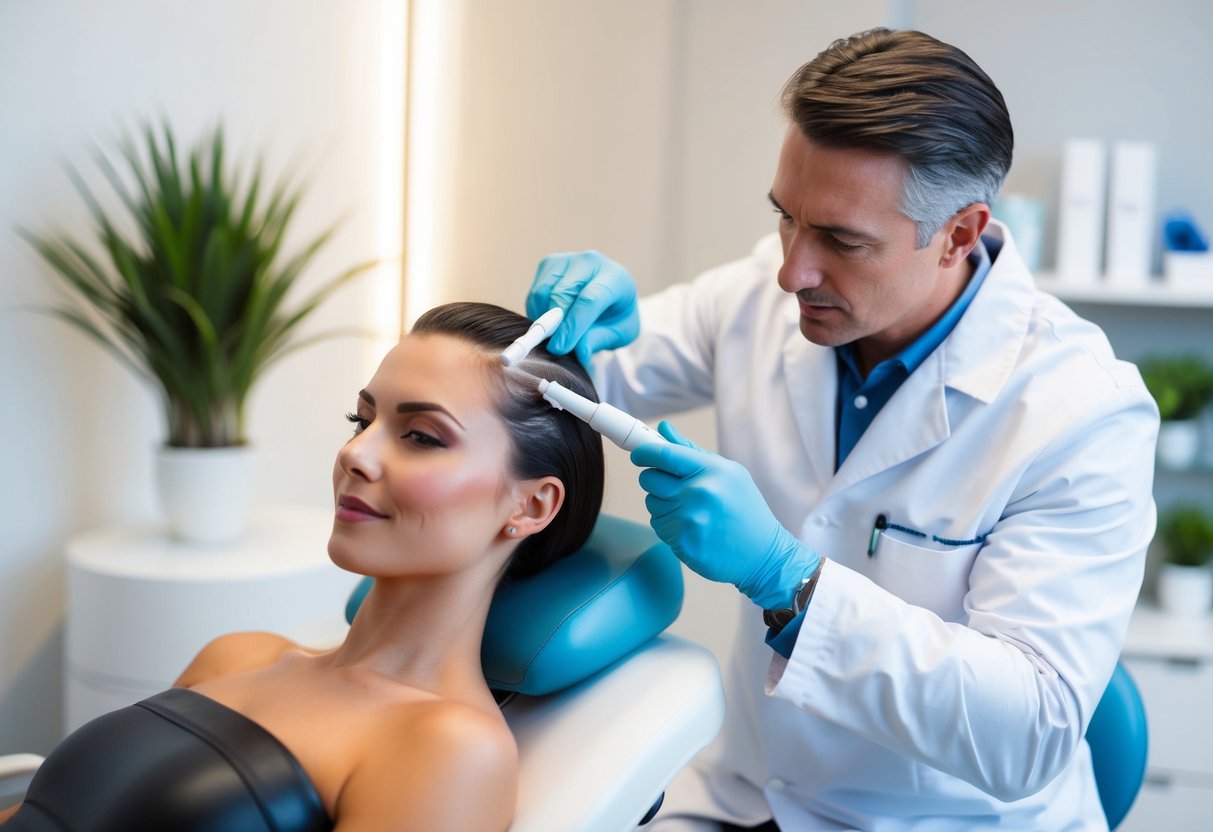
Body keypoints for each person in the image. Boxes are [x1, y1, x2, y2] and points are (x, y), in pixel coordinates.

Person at [525, 28, 1158, 831]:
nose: (793, 269)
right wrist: (565, 330)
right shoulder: (762, 292)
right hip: (748, 797)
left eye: (841, 240)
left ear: (959, 234)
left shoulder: (1081, 412)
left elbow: (1026, 734)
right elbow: (583, 386)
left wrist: (788, 579)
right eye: (787, 218)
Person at [1, 302, 605, 832]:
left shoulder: (447, 749)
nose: (355, 454)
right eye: (362, 421)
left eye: (421, 436)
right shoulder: (238, 656)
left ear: (530, 505)